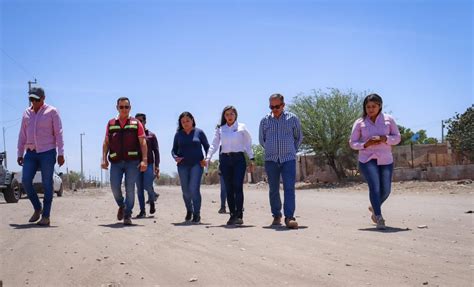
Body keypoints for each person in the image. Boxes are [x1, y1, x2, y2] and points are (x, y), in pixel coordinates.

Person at [349, 93, 401, 229]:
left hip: (386, 159)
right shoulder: (360, 122)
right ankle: (378, 217)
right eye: (368, 107)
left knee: (386, 190)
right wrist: (365, 144)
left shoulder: (389, 119)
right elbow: (352, 142)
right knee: (375, 187)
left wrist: (386, 139)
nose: (370, 109)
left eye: (373, 106)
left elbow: (397, 138)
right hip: (367, 159)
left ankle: (374, 207)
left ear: (380, 106)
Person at [17, 87, 65, 226]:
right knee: (25, 180)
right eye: (31, 99)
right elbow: (22, 135)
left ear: (43, 98)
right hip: (31, 153)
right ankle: (37, 208)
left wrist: (61, 153)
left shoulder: (52, 112)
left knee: (47, 183)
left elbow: (59, 133)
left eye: (36, 99)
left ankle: (46, 216)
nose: (34, 102)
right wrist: (20, 153)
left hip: (48, 152)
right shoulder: (26, 113)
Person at [101, 97, 148, 225]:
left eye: (126, 107)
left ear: (130, 108)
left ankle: (127, 214)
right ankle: (122, 205)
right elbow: (106, 142)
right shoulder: (111, 123)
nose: (124, 109)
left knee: (130, 188)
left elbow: (143, 142)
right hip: (116, 161)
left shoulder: (136, 123)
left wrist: (144, 160)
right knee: (114, 186)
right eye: (121, 107)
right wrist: (104, 158)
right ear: (117, 108)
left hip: (132, 162)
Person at [259, 93, 303, 229]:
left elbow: (298, 137)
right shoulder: (265, 121)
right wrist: (271, 150)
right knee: (273, 189)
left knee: (289, 188)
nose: (274, 109)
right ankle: (276, 216)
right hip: (271, 160)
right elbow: (262, 140)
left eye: (277, 106)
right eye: (271, 107)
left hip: (288, 159)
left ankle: (289, 217)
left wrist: (291, 150)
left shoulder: (292, 118)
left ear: (283, 105)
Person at [206, 106, 255, 225]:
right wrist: (208, 157)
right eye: (227, 114)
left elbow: (248, 143)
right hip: (225, 160)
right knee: (228, 188)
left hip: (238, 159)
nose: (229, 116)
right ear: (224, 116)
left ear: (235, 115)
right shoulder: (220, 129)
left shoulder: (242, 127)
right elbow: (214, 144)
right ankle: (232, 214)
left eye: (232, 114)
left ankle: (239, 214)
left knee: (238, 186)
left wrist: (252, 158)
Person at [172, 112, 209, 224]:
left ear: (192, 120)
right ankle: (189, 210)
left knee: (194, 189)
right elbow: (173, 150)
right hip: (182, 165)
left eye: (187, 120)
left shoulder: (199, 132)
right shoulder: (178, 135)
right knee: (186, 191)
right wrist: (175, 157)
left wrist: (206, 159)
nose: (185, 123)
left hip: (197, 164)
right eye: (183, 122)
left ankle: (197, 214)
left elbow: (207, 147)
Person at [134, 113, 160, 218]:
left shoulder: (151, 135)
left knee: (147, 184)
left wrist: (157, 165)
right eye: (137, 121)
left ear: (145, 122)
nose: (139, 123)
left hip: (149, 164)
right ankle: (142, 211)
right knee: (139, 188)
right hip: (135, 165)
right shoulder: (133, 136)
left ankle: (152, 198)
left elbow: (156, 151)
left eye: (141, 120)